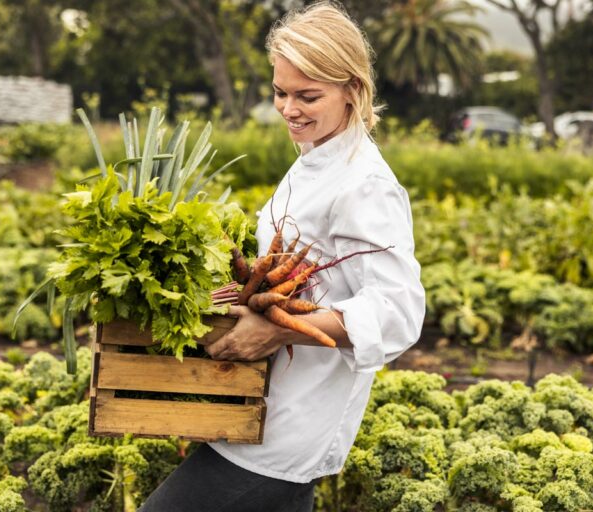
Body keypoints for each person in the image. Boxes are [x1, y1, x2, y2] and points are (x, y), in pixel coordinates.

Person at [138, 2, 425, 511]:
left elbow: (398, 311)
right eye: (280, 92)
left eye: (307, 95)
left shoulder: (365, 185)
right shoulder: (313, 157)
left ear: (352, 90)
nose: (289, 108)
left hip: (293, 421)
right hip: (255, 400)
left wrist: (279, 329)